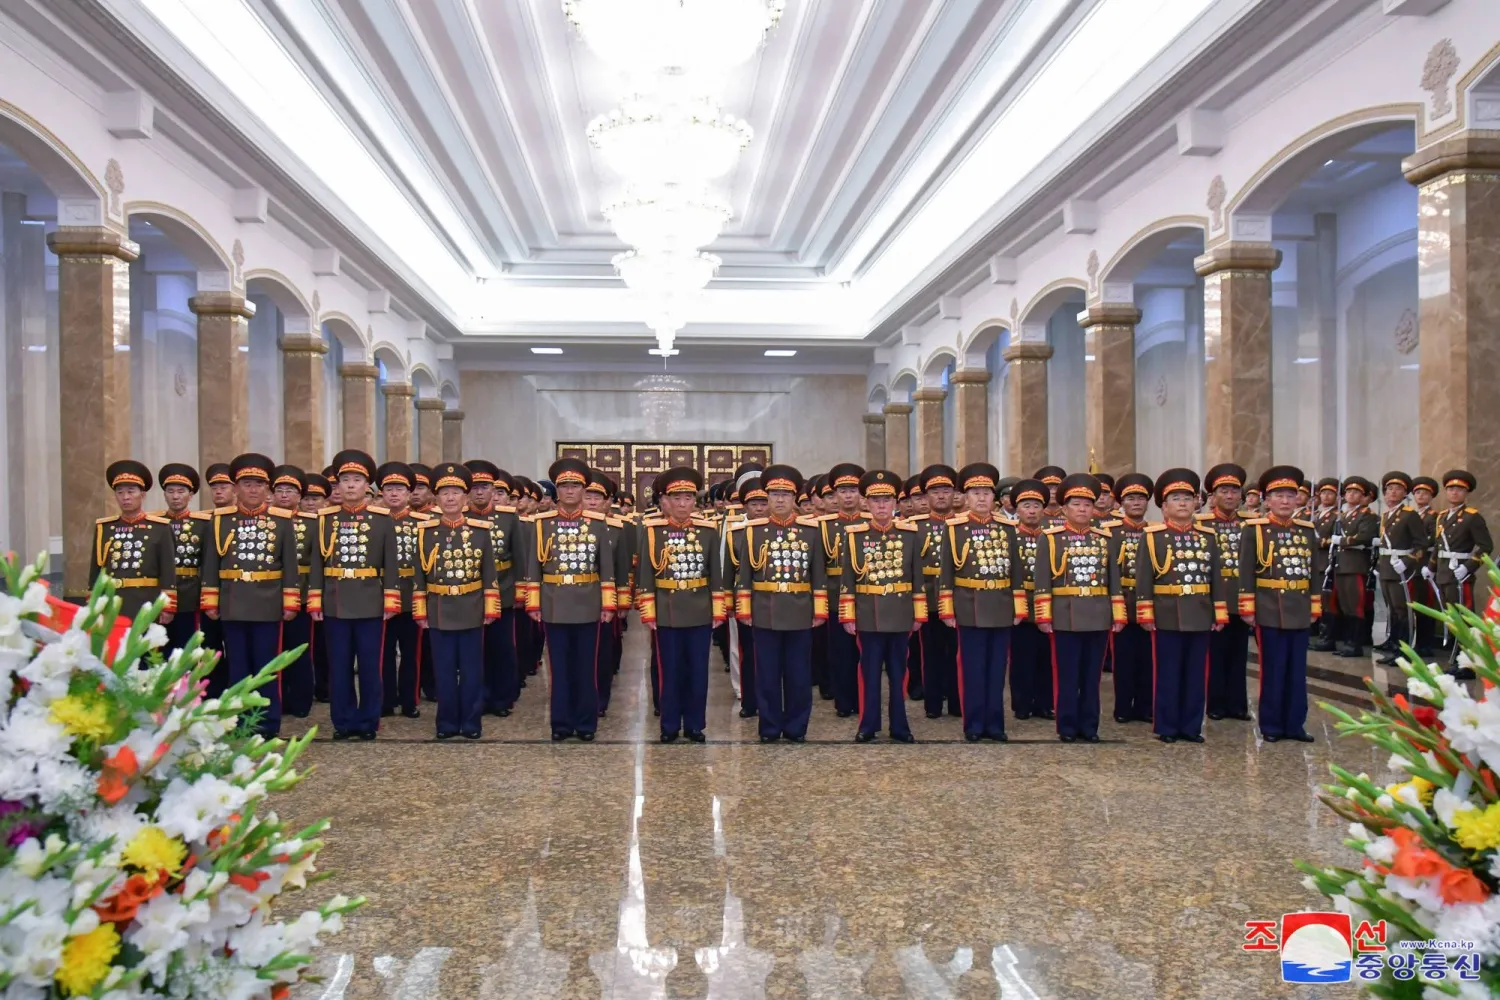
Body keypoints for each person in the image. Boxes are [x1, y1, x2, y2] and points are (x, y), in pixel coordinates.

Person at [200, 453, 298, 738]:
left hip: (268, 603)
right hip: (232, 603)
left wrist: (290, 601)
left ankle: (267, 723)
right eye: (246, 484)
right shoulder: (220, 521)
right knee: (238, 667)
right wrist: (211, 600)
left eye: (258, 484)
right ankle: (239, 722)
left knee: (267, 667)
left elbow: (290, 565)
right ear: (236, 487)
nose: (253, 489)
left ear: (267, 489)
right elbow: (211, 563)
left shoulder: (280, 521)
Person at [524, 457, 617, 742]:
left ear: (583, 489)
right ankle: (561, 724)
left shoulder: (598, 523)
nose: (569, 491)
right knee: (559, 667)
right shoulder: (542, 524)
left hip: (588, 602)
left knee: (586, 666)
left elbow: (606, 567)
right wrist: (533, 602)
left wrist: (609, 604)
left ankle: (586, 723)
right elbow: (533, 567)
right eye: (564, 486)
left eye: (575, 486)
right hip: (554, 602)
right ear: (557, 490)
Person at [732, 464, 826, 743]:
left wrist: (819, 609)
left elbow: (818, 575)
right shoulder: (753, 531)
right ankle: (770, 727)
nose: (780, 499)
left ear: (795, 497)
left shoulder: (810, 531)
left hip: (800, 612)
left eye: (786, 494)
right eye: (774, 494)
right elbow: (745, 575)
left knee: (799, 675)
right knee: (767, 675)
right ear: (768, 497)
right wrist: (745, 610)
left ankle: (797, 727)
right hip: (765, 611)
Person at [311, 449, 399, 741]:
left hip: (370, 600)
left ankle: (368, 720)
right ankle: (343, 720)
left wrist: (391, 599)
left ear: (367, 486)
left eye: (357, 480)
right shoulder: (325, 519)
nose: (350, 485)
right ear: (337, 485)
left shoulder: (382, 519)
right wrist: (315, 599)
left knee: (371, 665)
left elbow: (391, 564)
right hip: (335, 601)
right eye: (345, 480)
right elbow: (316, 565)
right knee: (339, 665)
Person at [1135, 469, 1225, 743]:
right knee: (1168, 672)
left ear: (1197, 502)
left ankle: (1191, 726)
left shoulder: (1207, 537)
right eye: (1176, 498)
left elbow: (1216, 579)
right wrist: (1145, 613)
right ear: (1164, 506)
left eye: (1188, 498)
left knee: (1197, 673)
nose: (1183, 503)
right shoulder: (1152, 537)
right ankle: (1167, 726)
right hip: (1166, 613)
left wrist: (1218, 611)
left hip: (1199, 612)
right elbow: (1144, 579)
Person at [1033, 473, 1124, 743]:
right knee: (1068, 674)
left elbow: (1113, 582)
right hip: (1065, 615)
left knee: (1092, 676)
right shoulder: (1050, 539)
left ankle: (1090, 726)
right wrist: (1043, 615)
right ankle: (1068, 726)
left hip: (1097, 614)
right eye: (1076, 504)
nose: (1083, 509)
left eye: (1087, 504)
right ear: (1064, 508)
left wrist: (1117, 614)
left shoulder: (1104, 538)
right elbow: (1042, 582)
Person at [938, 462, 1024, 742]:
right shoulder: (954, 528)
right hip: (969, 605)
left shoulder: (1007, 528)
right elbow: (947, 572)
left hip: (1000, 605)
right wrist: (947, 608)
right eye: (975, 493)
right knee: (972, 669)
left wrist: (1019, 606)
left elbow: (1016, 572)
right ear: (965, 498)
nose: (982, 498)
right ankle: (974, 724)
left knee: (998, 669)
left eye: (987, 493)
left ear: (995, 498)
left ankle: (996, 725)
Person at [638, 467, 724, 743]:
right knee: (669, 671)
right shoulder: (653, 531)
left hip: (699, 609)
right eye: (677, 499)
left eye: (688, 498)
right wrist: (649, 610)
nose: (683, 504)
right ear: (666, 502)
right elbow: (646, 576)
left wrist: (719, 609)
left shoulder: (708, 531)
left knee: (698, 670)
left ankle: (695, 724)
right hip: (667, 610)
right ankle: (670, 724)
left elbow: (716, 574)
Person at [414, 462, 500, 739]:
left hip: (472, 607)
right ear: (436, 498)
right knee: (444, 671)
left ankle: (472, 723)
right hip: (439, 608)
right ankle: (447, 723)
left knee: (473, 670)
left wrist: (490, 608)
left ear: (465, 498)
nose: (450, 498)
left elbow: (489, 573)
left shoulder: (480, 531)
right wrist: (420, 610)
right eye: (445, 493)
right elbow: (419, 576)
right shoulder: (425, 532)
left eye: (456, 493)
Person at [840, 469, 925, 743]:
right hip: (868, 615)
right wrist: (848, 615)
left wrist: (919, 613)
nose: (881, 506)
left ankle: (900, 726)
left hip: (900, 614)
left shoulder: (910, 535)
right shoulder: (854, 536)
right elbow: (847, 579)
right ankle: (868, 725)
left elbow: (917, 578)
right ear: (866, 503)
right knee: (868, 673)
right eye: (876, 500)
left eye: (887, 500)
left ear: (895, 504)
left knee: (900, 673)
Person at [1238, 466, 1320, 742]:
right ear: (1267, 500)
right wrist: (1247, 606)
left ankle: (1295, 724)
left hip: (1299, 606)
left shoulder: (1307, 531)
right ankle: (1271, 725)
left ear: (1299, 499)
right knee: (1272, 669)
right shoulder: (1255, 530)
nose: (1285, 501)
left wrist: (1315, 606)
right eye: (1279, 496)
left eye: (1290, 495)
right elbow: (1246, 570)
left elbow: (1314, 572)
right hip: (1269, 606)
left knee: (1297, 671)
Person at [1199, 463, 1252, 721]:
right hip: (1213, 599)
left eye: (1235, 491)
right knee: (1215, 654)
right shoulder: (1203, 524)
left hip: (1243, 599)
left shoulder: (1251, 524)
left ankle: (1238, 704)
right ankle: (1216, 704)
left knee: (1240, 652)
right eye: (1224, 492)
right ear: (1214, 496)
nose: (1230, 497)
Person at [1428, 469, 1493, 677]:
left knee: (1463, 618)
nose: (1454, 493)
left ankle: (1467, 663)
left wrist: (1468, 567)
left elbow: (1486, 546)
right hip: (1444, 573)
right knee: (1451, 617)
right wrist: (1430, 568)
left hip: (1460, 574)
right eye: (1451, 489)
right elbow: (1439, 546)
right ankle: (1456, 659)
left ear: (1466, 493)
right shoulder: (1442, 517)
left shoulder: (1472, 518)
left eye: (1459, 490)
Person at [93, 460, 177, 622]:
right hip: (113, 600)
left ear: (142, 495)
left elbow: (167, 570)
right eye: (120, 492)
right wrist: (95, 601)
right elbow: (96, 569)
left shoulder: (160, 528)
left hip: (146, 601)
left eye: (131, 492)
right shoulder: (105, 527)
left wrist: (168, 605)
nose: (125, 497)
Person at [376, 462, 428, 719]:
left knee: (411, 652)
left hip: (411, 595)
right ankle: (386, 700)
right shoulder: (374, 520)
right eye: (389, 489)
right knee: (383, 652)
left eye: (399, 489)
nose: (394, 494)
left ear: (408, 494)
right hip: (380, 595)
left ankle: (410, 700)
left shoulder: (422, 523)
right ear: (381, 493)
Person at [1106, 473, 1154, 724]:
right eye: (1131, 499)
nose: (1136, 503)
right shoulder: (1110, 532)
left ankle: (1145, 707)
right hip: (1121, 601)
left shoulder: (1155, 532)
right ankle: (1123, 707)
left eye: (1141, 499)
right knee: (1122, 659)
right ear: (1121, 503)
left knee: (1148, 658)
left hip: (1150, 604)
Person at [821, 462, 867, 718]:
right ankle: (843, 700)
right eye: (843, 491)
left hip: (867, 594)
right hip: (835, 594)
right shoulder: (823, 526)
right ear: (835, 495)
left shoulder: (869, 523)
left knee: (865, 651)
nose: (848, 495)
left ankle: (863, 698)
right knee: (839, 650)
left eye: (853, 490)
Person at [273, 465, 316, 718]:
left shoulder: (310, 524)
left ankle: (300, 700)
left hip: (300, 594)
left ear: (299, 496)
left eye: (290, 491)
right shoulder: (266, 521)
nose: (284, 495)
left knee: (299, 649)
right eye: (279, 490)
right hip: (268, 594)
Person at [916, 465, 959, 716]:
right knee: (929, 652)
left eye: (946, 491)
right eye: (935, 492)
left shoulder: (961, 523)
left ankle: (956, 701)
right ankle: (932, 703)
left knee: (955, 653)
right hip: (928, 597)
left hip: (957, 599)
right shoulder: (915, 525)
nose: (941, 496)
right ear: (927, 496)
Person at [1008, 479, 1052, 721]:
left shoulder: (1052, 536)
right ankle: (1022, 704)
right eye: (1026, 505)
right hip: (1020, 605)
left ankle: (1045, 703)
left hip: (1047, 606)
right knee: (1021, 658)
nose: (1032, 510)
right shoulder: (1010, 535)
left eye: (1036, 505)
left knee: (1046, 659)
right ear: (1017, 509)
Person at [1374, 472, 1427, 667]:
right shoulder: (1386, 515)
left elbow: (1421, 544)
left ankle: (1404, 651)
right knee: (1392, 611)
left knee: (1401, 610)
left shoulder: (1409, 514)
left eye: (1398, 489)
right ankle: (1394, 647)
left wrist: (1408, 561)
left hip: (1401, 569)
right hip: (1387, 567)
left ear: (1405, 493)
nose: (1392, 492)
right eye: (1389, 489)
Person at [155, 462, 208, 654]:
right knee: (158, 648)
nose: (175, 496)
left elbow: (208, 562)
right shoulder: (156, 523)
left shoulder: (203, 524)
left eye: (181, 491)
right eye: (170, 491)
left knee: (187, 649)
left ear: (191, 495)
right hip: (159, 593)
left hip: (189, 593)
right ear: (164, 494)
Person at [1329, 476, 1379, 658]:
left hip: (1356, 564)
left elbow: (1364, 537)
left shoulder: (1367, 516)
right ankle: (1348, 641)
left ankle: (1355, 643)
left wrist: (1342, 540)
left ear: (1363, 496)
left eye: (1356, 492)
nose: (1351, 495)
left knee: (1355, 604)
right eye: (1348, 491)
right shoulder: (1342, 516)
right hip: (1341, 564)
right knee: (1345, 605)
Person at [1308, 477, 1342, 652]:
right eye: (1323, 493)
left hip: (1328, 563)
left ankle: (1328, 637)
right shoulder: (1316, 515)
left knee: (1328, 601)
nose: (1326, 496)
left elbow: (1335, 541)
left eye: (1330, 493)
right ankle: (1321, 634)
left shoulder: (1337, 517)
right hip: (1316, 562)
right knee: (1318, 600)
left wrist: (1320, 542)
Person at [1409, 475, 1442, 657]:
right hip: (1412, 565)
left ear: (1431, 496)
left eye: (1425, 493)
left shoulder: (1434, 516)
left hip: (1426, 563)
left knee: (1426, 604)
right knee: (1415, 604)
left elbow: (1433, 540)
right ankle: (1418, 641)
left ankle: (1426, 644)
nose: (1421, 496)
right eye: (1418, 492)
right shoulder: (1412, 515)